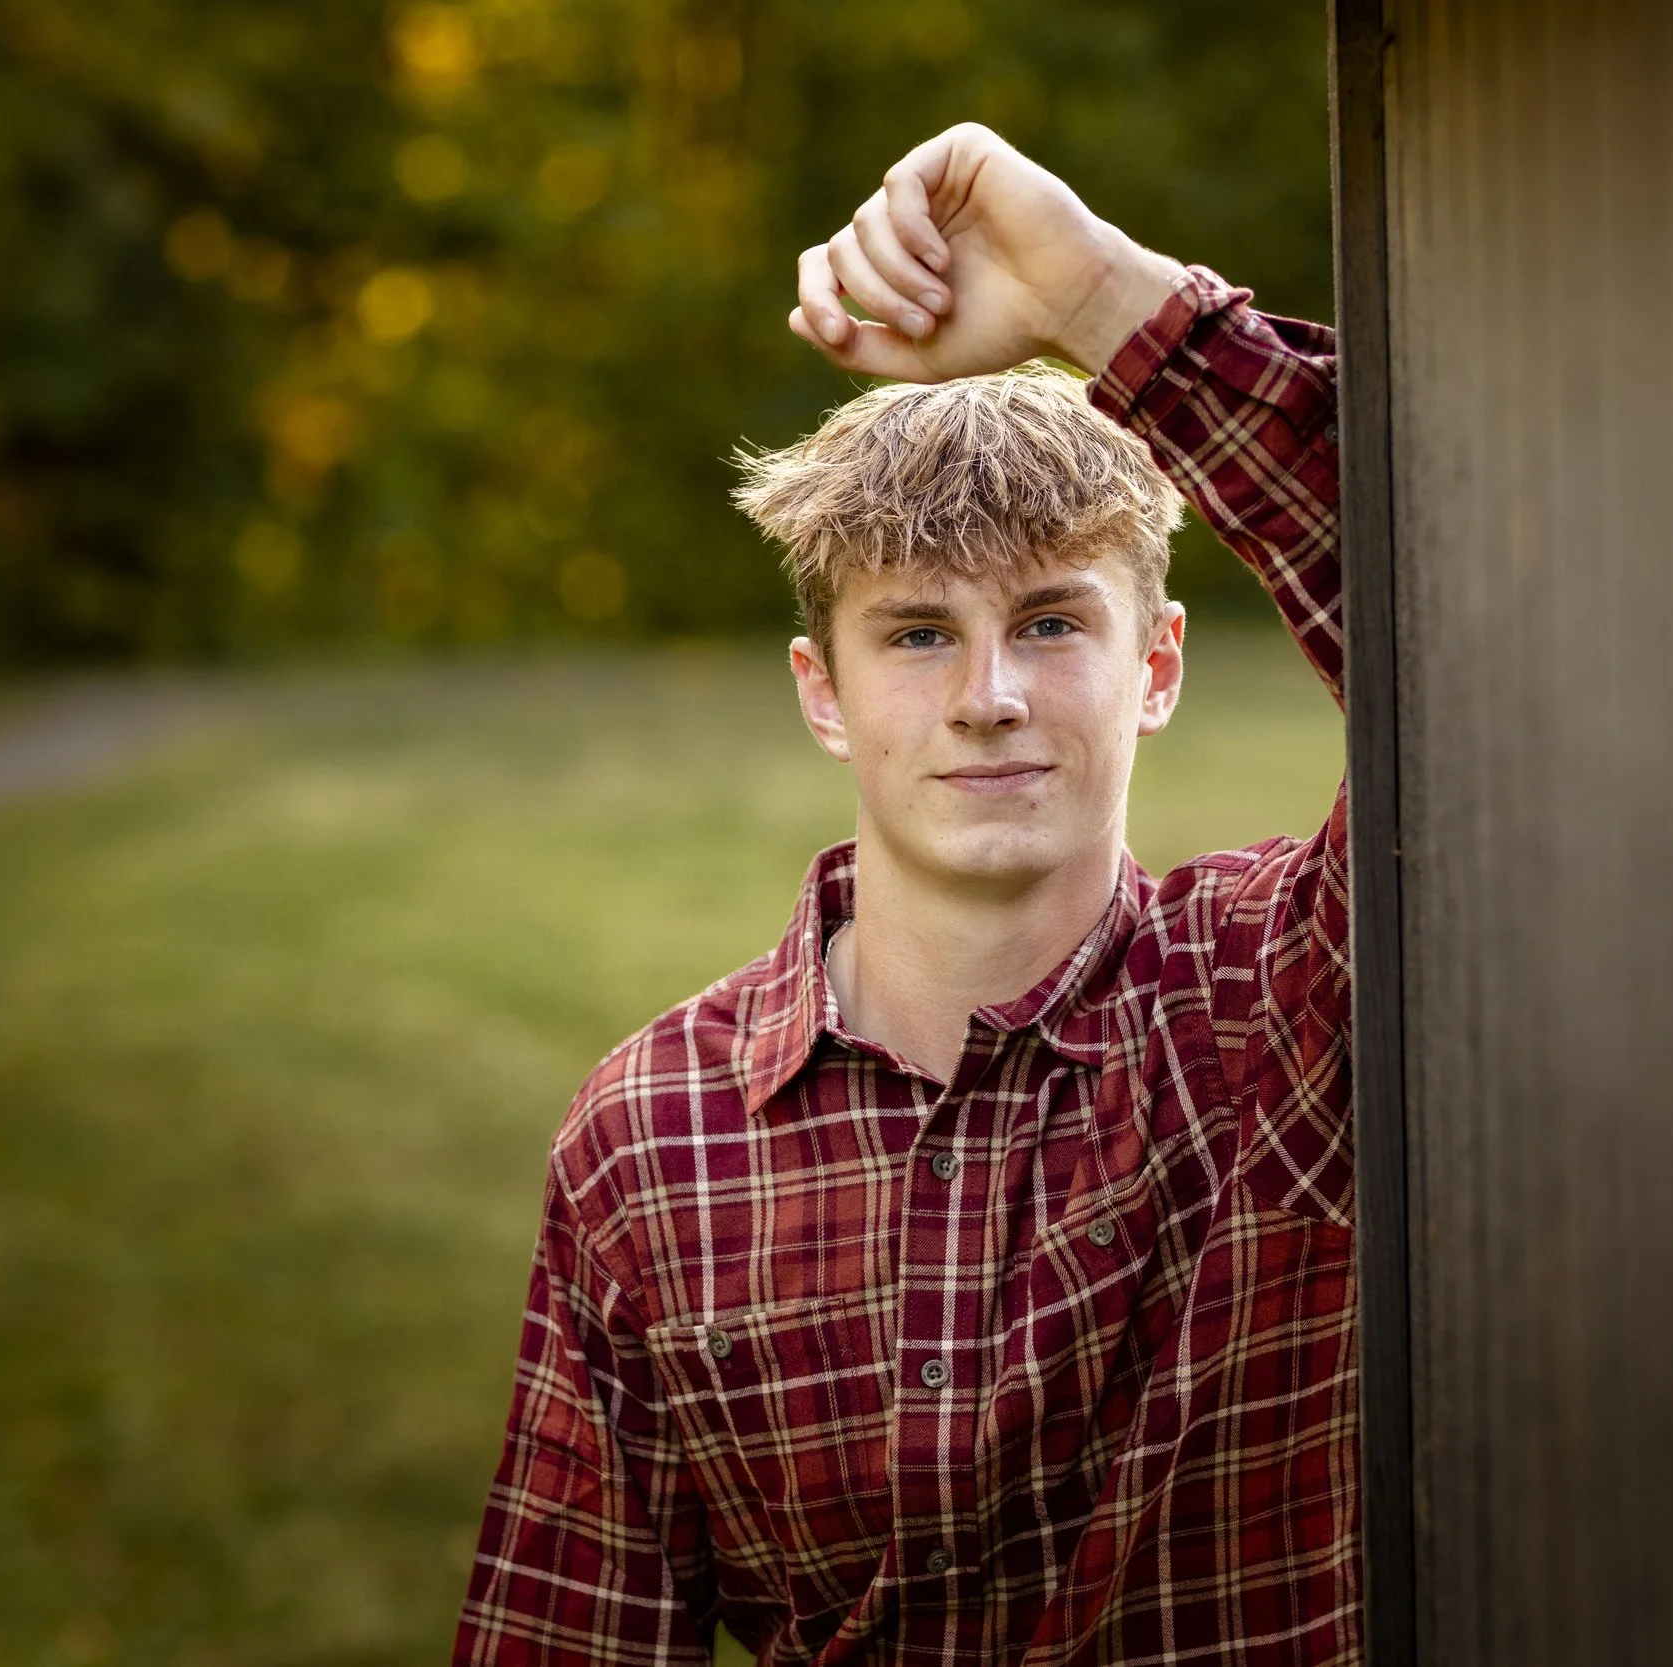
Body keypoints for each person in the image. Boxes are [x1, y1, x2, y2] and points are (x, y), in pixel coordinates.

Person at [454, 123, 1353, 1667]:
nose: (991, 696)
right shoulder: (653, 1145)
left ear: (1160, 667)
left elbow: (1489, 607)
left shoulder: (1283, 1001)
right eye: (921, 633)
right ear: (824, 691)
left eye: (1054, 622)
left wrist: (1098, 296)